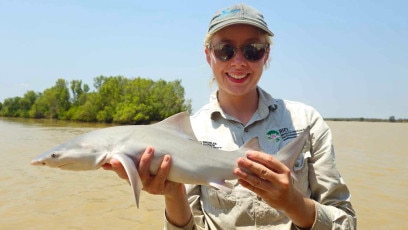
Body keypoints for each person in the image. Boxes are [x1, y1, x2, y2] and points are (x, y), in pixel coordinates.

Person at [103, 4, 356, 229]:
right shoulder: (186, 131)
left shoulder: (306, 122)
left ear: (266, 55)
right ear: (208, 54)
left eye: (252, 50)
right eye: (225, 49)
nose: (238, 62)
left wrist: (292, 202)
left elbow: (346, 223)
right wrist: (173, 192)